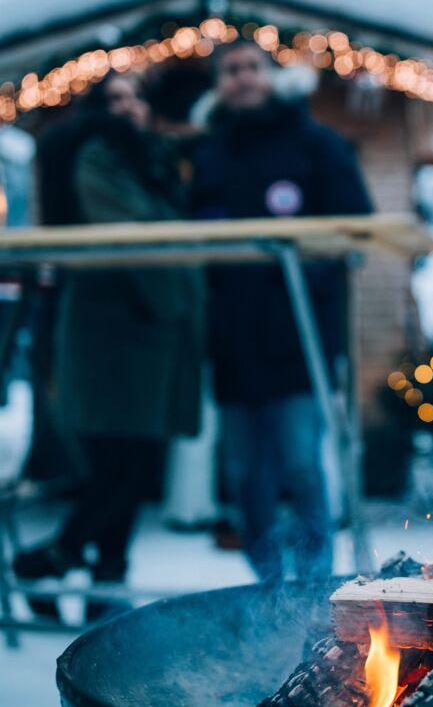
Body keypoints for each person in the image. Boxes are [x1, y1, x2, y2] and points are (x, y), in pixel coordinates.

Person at [14, 74, 204, 606]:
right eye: (113, 99)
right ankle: (44, 561)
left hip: (146, 328)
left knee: (136, 463)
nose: (126, 108)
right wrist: (179, 303)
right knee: (118, 469)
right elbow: (134, 231)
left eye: (134, 98)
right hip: (112, 329)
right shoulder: (99, 155)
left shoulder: (149, 159)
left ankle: (105, 579)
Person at [193, 41, 372, 582]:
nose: (243, 78)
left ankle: (316, 587)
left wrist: (306, 275)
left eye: (252, 67)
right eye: (231, 71)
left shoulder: (316, 143)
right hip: (232, 342)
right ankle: (268, 589)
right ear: (219, 85)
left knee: (301, 462)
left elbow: (354, 225)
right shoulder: (210, 154)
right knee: (246, 474)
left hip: (300, 337)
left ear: (271, 76)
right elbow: (195, 236)